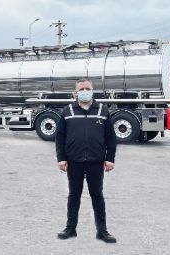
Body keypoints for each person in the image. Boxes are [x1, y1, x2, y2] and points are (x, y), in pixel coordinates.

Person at [55, 78, 117, 243]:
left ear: (92, 90)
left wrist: (110, 158)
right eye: (81, 89)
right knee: (74, 195)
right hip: (74, 161)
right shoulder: (67, 111)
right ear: (75, 93)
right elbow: (60, 136)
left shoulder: (103, 110)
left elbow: (111, 137)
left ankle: (102, 231)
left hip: (96, 161)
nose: (84, 91)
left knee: (97, 195)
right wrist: (61, 158)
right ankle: (70, 229)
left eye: (87, 88)